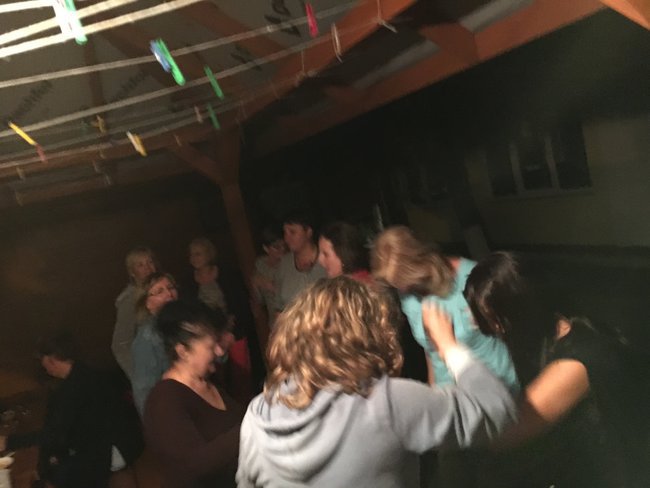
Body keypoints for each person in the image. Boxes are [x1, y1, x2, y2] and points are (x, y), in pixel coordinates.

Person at [236, 277, 516, 488]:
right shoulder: (386, 402)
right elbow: (496, 408)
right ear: (370, 332)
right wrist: (448, 346)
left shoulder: (256, 417)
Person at [462, 252, 650, 488]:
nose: (496, 330)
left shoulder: (575, 361)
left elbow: (504, 435)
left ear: (520, 311)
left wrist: (451, 351)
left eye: (498, 321)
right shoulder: (554, 330)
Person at [371, 226, 518, 392]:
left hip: (491, 387)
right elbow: (430, 350)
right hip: (447, 393)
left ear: (421, 264)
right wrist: (432, 390)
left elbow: (512, 332)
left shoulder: (474, 280)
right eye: (396, 285)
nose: (402, 290)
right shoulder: (406, 294)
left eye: (405, 282)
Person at [0, 333, 142, 488]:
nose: (44, 367)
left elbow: (54, 434)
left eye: (43, 361)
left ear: (52, 359)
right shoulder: (86, 372)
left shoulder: (71, 390)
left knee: (57, 473)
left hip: (112, 448)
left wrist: (9, 442)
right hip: (126, 440)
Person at [144, 300, 244, 488]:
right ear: (183, 351)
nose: (219, 351)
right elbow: (193, 465)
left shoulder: (207, 381)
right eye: (210, 346)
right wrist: (251, 427)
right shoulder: (165, 400)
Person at [130, 272, 179, 416]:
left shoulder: (184, 322)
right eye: (159, 291)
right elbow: (144, 392)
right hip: (174, 410)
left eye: (171, 287)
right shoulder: (147, 337)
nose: (169, 294)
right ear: (147, 303)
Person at [112, 246, 156, 380]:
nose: (148, 268)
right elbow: (120, 344)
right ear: (132, 272)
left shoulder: (164, 290)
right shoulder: (129, 300)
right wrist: (139, 375)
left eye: (150, 262)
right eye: (140, 265)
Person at [274, 212, 327, 311]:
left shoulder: (326, 261)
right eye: (285, 232)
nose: (287, 238)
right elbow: (278, 305)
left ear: (308, 232)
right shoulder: (285, 263)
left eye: (292, 232)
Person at [251, 226, 287, 320]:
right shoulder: (261, 265)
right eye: (277, 247)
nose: (282, 249)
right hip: (274, 320)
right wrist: (255, 285)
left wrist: (271, 286)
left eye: (284, 245)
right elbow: (258, 299)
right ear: (266, 248)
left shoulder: (289, 262)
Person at [189, 237, 228, 315]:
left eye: (198, 254)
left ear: (209, 254)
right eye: (191, 254)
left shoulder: (226, 274)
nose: (193, 258)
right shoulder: (188, 281)